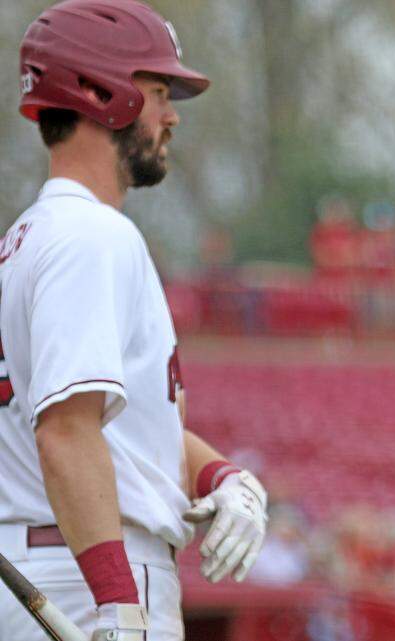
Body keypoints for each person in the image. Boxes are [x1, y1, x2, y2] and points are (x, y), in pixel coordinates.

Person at [0, 2, 269, 640]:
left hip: (48, 565)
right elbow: (66, 434)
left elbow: (116, 432)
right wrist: (119, 606)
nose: (171, 114)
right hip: (88, 576)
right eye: (156, 92)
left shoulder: (30, 238)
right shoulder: (92, 236)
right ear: (99, 93)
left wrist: (221, 476)